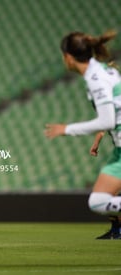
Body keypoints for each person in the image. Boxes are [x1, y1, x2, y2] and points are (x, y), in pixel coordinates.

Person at [45, 30, 121, 239]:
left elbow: (107, 120)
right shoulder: (105, 71)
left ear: (68, 57)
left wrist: (66, 129)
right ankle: (118, 230)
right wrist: (99, 137)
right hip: (119, 148)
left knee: (98, 202)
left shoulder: (96, 78)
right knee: (100, 200)